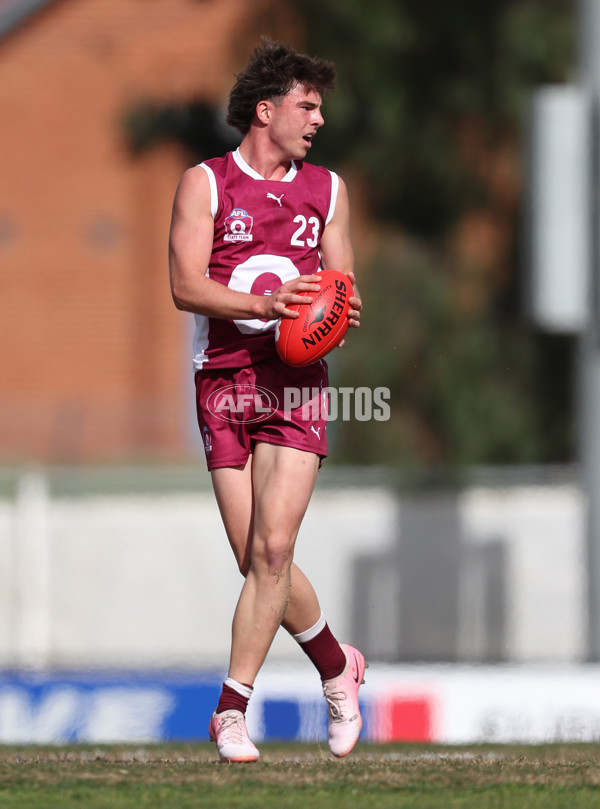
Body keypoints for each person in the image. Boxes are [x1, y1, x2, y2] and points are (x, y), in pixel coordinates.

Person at [168, 38, 365, 763]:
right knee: (255, 559)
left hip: (295, 388)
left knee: (274, 549)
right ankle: (337, 665)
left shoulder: (330, 190)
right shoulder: (205, 183)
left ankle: (230, 708)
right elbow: (185, 285)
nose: (317, 120)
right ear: (265, 109)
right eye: (306, 106)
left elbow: (341, 284)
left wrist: (337, 316)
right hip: (223, 378)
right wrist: (265, 300)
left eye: (320, 109)